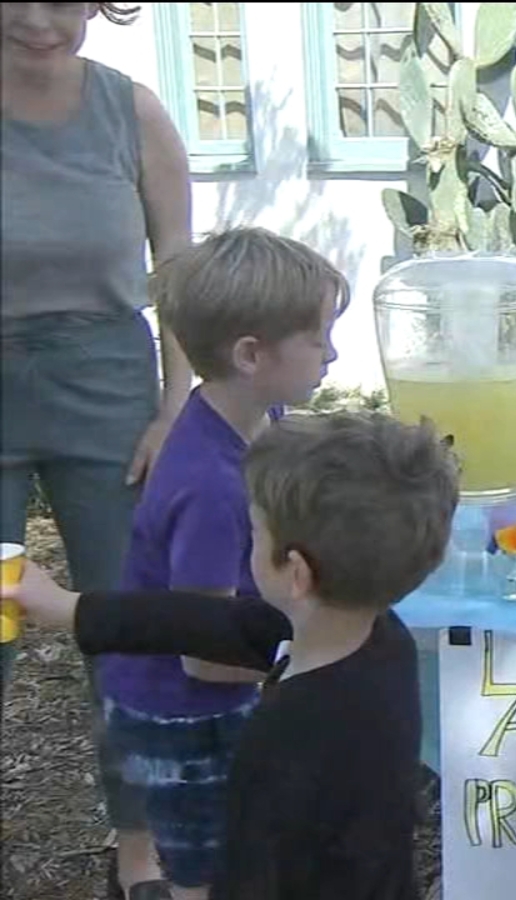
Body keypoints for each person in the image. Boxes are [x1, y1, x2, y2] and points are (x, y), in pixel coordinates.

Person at [1, 410, 460, 900]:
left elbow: (251, 873)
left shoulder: (286, 732)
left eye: (256, 532)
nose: (248, 542)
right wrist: (70, 608)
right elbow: (220, 623)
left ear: (296, 573)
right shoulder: (382, 639)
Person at [90, 228, 348, 900]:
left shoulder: (259, 416)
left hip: (221, 691)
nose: (334, 353)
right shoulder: (208, 485)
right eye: (318, 338)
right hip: (181, 712)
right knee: (207, 870)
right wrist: (310, 662)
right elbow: (199, 652)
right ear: (250, 355)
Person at [1, 4, 195, 895]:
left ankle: (139, 850)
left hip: (109, 387)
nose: (42, 21)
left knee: (127, 628)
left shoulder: (134, 112)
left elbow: (179, 270)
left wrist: (172, 410)